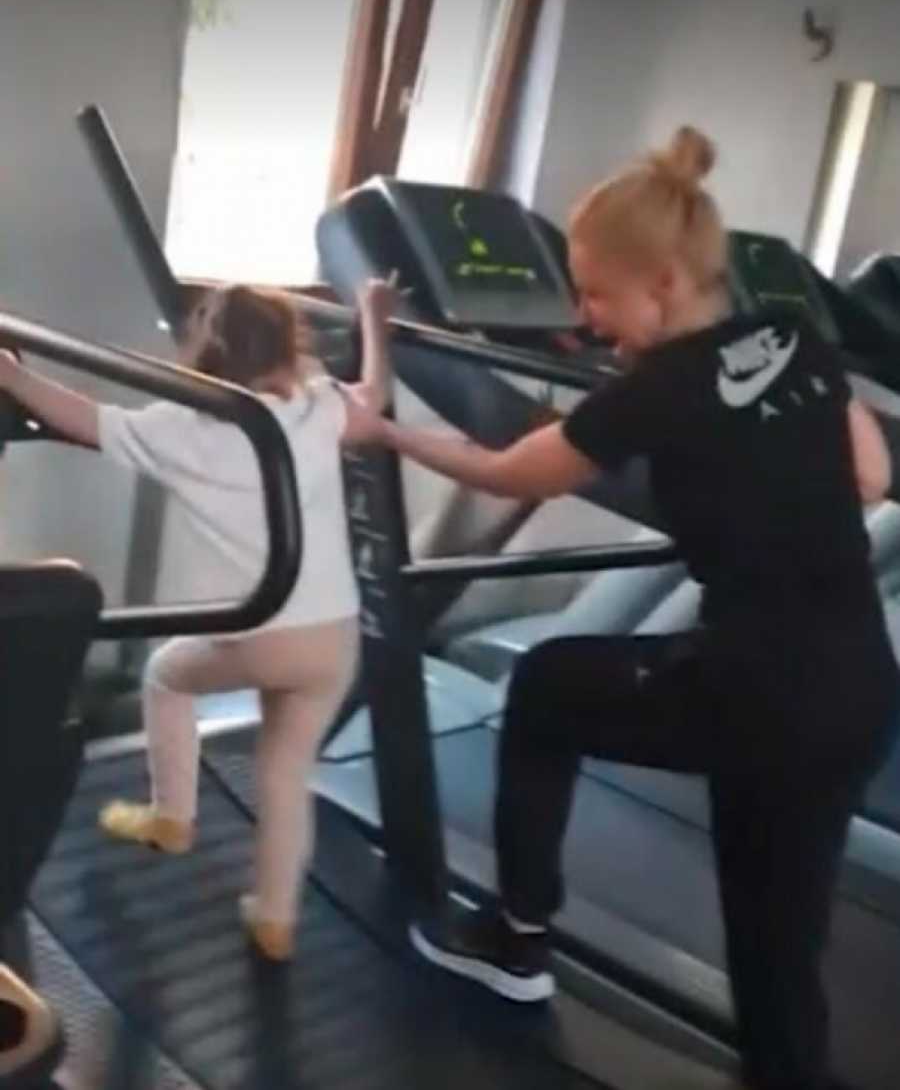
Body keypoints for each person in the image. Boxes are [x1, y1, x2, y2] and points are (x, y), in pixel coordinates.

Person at [348, 129, 900, 1090]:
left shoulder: (658, 391)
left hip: (759, 690)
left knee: (546, 688)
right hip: (859, 687)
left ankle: (518, 938)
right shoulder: (795, 335)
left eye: (598, 294)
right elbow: (871, 477)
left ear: (665, 283)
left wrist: (383, 431)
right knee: (779, 954)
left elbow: (510, 469)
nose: (588, 317)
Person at [0, 277, 396, 962]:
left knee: (166, 676)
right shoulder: (318, 404)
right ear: (290, 348)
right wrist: (374, 317)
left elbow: (86, 418)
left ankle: (171, 817)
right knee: (285, 772)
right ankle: (275, 919)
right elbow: (374, 398)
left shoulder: (181, 428)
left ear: (204, 352)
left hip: (259, 630)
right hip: (334, 633)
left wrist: (11, 374)